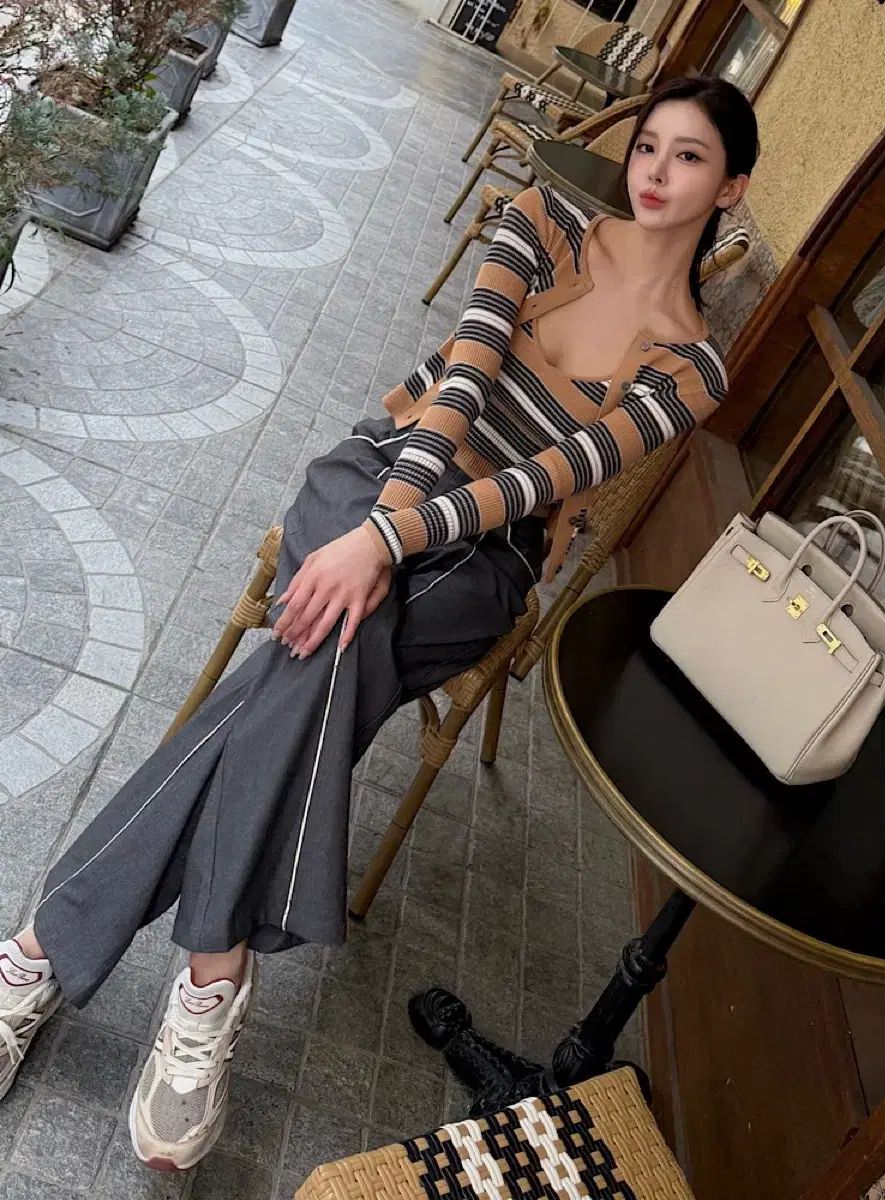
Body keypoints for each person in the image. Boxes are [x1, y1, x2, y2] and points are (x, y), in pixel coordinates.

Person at [0, 74, 757, 1170]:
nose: (656, 171)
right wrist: (378, 531)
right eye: (650, 146)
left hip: (487, 555)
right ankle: (212, 973)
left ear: (731, 187)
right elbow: (461, 387)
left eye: (689, 157)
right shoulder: (541, 221)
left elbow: (546, 477)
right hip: (383, 469)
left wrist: (386, 548)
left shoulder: (693, 368)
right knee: (336, 643)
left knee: (311, 653)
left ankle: (36, 957)